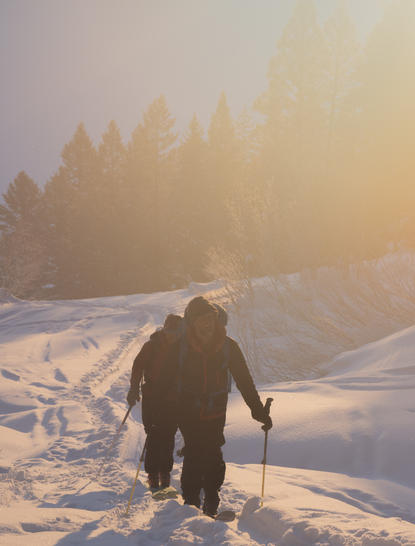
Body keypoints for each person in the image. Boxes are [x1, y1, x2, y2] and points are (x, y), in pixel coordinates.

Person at [163, 296, 272, 517]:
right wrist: (160, 409)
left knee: (213, 452)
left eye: (210, 319)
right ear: (192, 322)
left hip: (216, 408)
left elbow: (244, 379)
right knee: (194, 450)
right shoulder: (180, 347)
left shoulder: (228, 346)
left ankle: (211, 498)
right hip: (187, 408)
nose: (207, 324)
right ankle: (192, 502)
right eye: (202, 319)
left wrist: (258, 410)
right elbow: (164, 380)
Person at [127, 313, 183, 490]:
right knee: (153, 434)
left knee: (168, 435)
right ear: (164, 329)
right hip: (152, 397)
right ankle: (152, 474)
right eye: (169, 331)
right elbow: (137, 367)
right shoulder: (151, 346)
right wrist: (134, 388)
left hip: (174, 399)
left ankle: (165, 473)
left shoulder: (184, 348)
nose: (171, 335)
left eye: (175, 332)